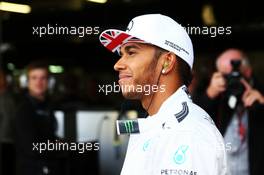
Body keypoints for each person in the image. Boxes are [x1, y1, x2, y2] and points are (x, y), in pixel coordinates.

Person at [99, 14, 228, 175]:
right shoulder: (159, 123)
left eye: (131, 52)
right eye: (121, 54)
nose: (118, 65)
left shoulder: (186, 134)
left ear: (167, 62)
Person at [193, 48, 264, 175]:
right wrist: (210, 94)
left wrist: (262, 103)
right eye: (227, 76)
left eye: (237, 75)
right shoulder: (216, 96)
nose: (233, 81)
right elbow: (191, 120)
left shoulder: (260, 94)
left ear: (248, 72)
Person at [15, 61, 60, 175]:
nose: (39, 82)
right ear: (26, 82)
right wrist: (58, 146)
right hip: (31, 169)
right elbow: (32, 148)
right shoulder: (24, 109)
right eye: (34, 78)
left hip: (48, 167)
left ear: (49, 82)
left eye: (43, 78)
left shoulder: (49, 105)